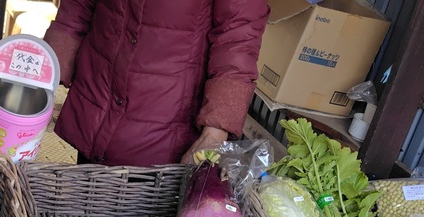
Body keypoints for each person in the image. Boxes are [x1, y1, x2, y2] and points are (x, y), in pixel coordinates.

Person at [43, 1, 270, 167]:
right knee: (85, 209)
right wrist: (45, 77)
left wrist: (214, 133)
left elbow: (238, 37)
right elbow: (77, 8)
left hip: (164, 134)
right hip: (96, 108)